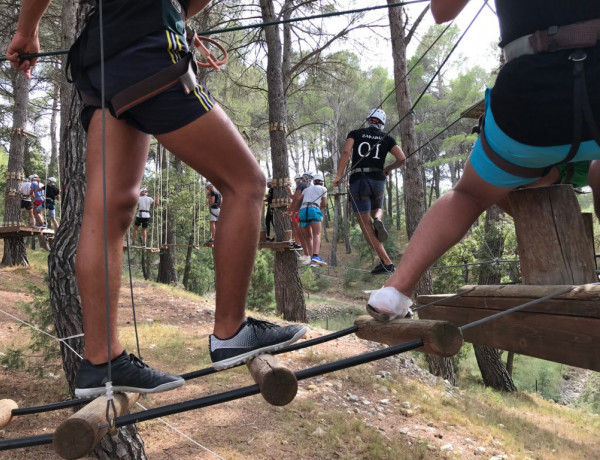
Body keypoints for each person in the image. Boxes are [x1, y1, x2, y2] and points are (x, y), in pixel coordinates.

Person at [7, 0, 306, 397]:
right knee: (246, 183)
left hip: (97, 58)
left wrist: (28, 28)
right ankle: (231, 330)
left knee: (111, 208)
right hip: (146, 45)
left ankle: (101, 361)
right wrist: (174, 16)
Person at [366, 0, 600, 321]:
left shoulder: (360, 135)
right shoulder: (384, 139)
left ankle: (395, 291)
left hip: (529, 103)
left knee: (469, 195)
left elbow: (441, 11)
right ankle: (556, 174)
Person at [333, 109, 406, 275]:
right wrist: (389, 168)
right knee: (377, 208)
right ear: (382, 123)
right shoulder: (387, 138)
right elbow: (402, 159)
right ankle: (378, 219)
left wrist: (338, 175)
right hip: (378, 179)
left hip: (359, 180)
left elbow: (346, 152)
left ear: (368, 120)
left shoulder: (355, 133)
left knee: (365, 226)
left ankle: (387, 263)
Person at [291, 173, 328, 267]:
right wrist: (320, 209)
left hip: (302, 211)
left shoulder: (306, 189)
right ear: (322, 182)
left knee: (308, 236)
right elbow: (324, 204)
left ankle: (312, 259)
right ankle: (315, 256)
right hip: (313, 210)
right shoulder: (323, 189)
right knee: (317, 234)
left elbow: (298, 199)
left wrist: (294, 211)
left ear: (314, 181)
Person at [288, 172, 314, 264]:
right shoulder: (310, 187)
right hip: (310, 211)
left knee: (305, 234)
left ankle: (310, 256)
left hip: (303, 211)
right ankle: (307, 255)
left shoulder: (302, 184)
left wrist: (291, 211)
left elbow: (296, 198)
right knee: (303, 233)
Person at [264, 178, 275, 242]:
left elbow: (269, 197)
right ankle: (268, 236)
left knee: (273, 222)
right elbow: (268, 198)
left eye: (267, 183)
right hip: (269, 208)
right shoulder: (270, 190)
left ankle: (274, 236)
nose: (267, 185)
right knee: (267, 221)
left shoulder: (273, 189)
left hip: (272, 208)